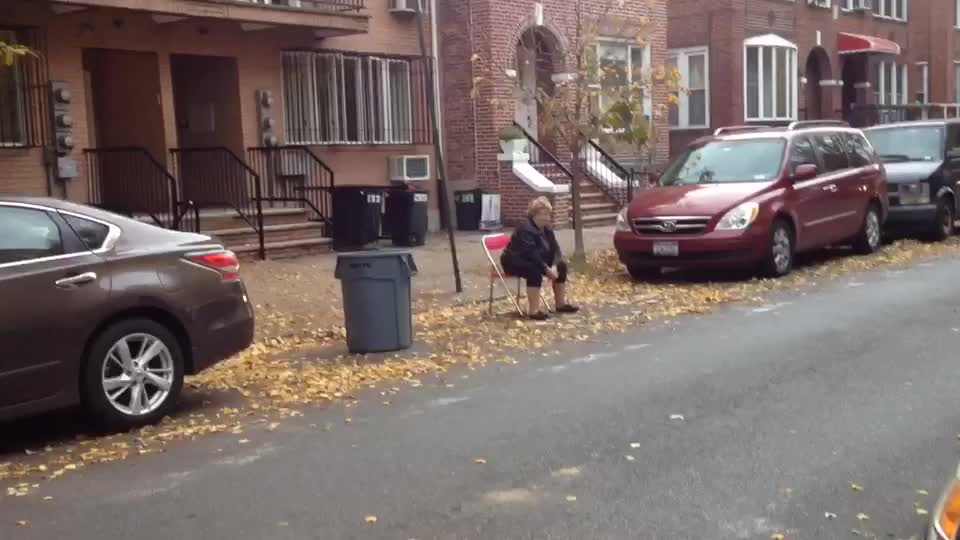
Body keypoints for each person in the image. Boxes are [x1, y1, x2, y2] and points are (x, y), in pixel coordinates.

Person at [501, 197, 580, 320]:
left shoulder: (547, 229)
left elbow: (556, 250)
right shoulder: (525, 229)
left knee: (562, 266)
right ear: (534, 214)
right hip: (515, 260)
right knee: (534, 271)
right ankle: (533, 311)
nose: (546, 217)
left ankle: (560, 304)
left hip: (538, 259)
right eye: (543, 214)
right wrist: (546, 269)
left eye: (548, 214)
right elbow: (531, 253)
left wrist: (553, 266)